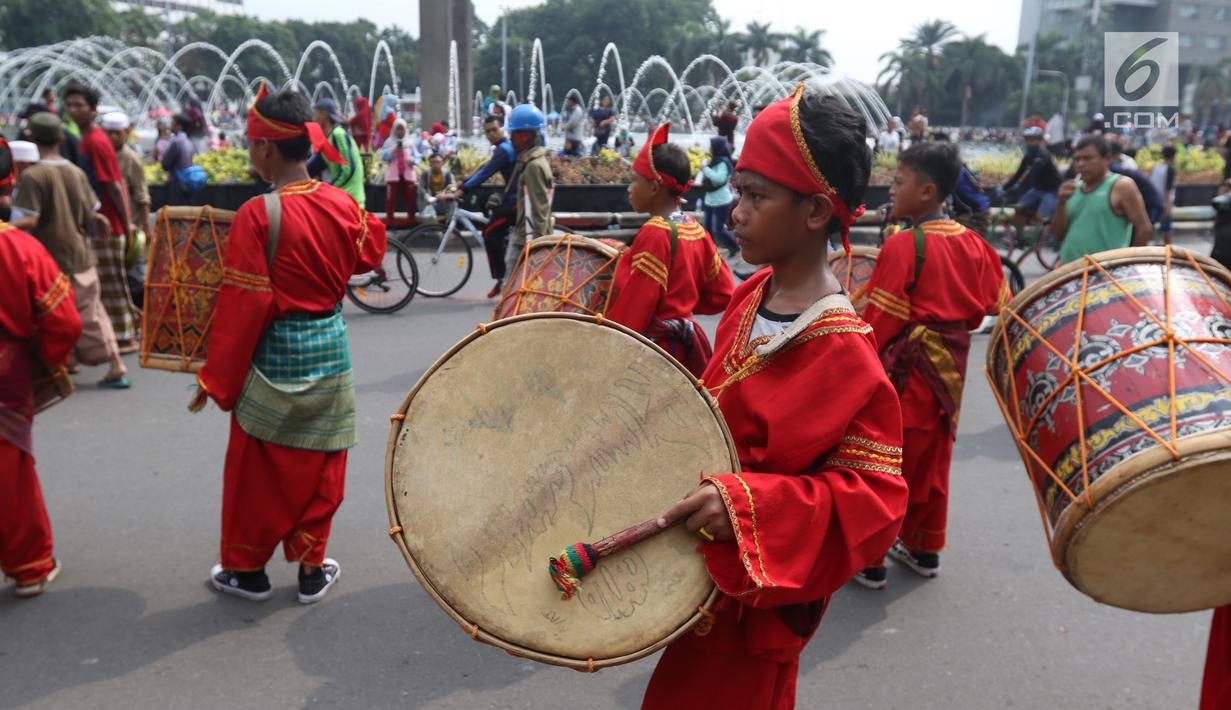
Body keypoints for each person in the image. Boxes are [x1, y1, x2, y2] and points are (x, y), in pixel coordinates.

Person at [641, 86, 908, 710]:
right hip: (697, 585)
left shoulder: (846, 353)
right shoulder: (752, 293)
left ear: (816, 212)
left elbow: (875, 503)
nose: (735, 212)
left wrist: (746, 505)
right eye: (738, 192)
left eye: (756, 197)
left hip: (750, 615)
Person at [191, 84, 386, 604]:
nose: (249, 152)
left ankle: (247, 572)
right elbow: (371, 256)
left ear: (267, 149)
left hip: (276, 348)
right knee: (324, 457)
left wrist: (216, 378)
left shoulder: (259, 214)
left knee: (258, 464)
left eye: (251, 143)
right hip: (330, 343)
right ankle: (311, 568)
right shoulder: (343, 204)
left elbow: (243, 305)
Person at [853, 142, 1009, 589]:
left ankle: (872, 559)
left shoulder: (905, 246)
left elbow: (880, 323)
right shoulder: (976, 244)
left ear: (926, 191)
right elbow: (992, 308)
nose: (890, 191)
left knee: (886, 461)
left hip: (906, 375)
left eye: (898, 183)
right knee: (933, 458)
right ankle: (923, 549)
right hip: (950, 375)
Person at [11, 113, 130, 388]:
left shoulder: (33, 176)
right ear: (62, 138)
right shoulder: (75, 172)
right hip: (80, 252)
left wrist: (7, 227)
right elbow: (92, 211)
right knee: (93, 312)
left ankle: (81, 364)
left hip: (50, 259)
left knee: (54, 315)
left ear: (30, 138)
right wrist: (99, 220)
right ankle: (102, 362)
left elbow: (31, 218)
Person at [606, 124, 733, 377]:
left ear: (654, 188)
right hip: (684, 352)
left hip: (655, 354)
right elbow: (723, 292)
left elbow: (635, 307)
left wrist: (609, 346)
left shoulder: (655, 233)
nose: (629, 188)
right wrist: (681, 311)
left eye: (634, 180)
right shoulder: (696, 229)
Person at [0, 220, 83, 597]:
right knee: (9, 467)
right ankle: (29, 566)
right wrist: (48, 359)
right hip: (5, 369)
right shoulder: (16, 246)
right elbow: (62, 320)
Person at [64, 86, 140, 354]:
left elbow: (114, 185)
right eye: (69, 105)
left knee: (113, 285)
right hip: (102, 222)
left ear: (93, 110)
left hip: (108, 225)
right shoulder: (89, 138)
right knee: (108, 284)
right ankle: (124, 332)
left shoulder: (95, 141)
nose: (73, 110)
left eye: (79, 105)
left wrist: (126, 224)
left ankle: (126, 337)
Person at [438, 115, 518, 298]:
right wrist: (462, 184)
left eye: (494, 130)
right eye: (487, 131)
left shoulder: (504, 150)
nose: (491, 134)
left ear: (502, 129)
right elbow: (484, 169)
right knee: (490, 212)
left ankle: (502, 278)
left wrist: (461, 191)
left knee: (490, 232)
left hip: (516, 201)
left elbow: (486, 173)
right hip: (512, 197)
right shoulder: (504, 148)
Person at [1054, 135, 1153, 264]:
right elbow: (1058, 235)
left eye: (1087, 158)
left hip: (1105, 275)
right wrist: (1061, 202)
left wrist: (1130, 265)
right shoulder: (1072, 189)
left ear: (1107, 158)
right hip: (1069, 273)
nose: (1081, 164)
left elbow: (1144, 229)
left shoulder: (1121, 186)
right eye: (1077, 159)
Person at [101, 112, 151, 307]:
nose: (113, 137)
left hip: (132, 229)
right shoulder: (102, 156)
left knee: (135, 278)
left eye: (117, 133)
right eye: (109, 133)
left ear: (127, 132)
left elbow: (142, 196)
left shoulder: (131, 160)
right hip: (110, 230)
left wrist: (146, 226)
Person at [504, 104, 554, 277]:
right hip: (524, 235)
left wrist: (539, 248)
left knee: (511, 290)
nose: (511, 138)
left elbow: (539, 210)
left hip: (526, 239)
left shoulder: (533, 166)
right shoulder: (531, 161)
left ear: (526, 135)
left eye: (514, 133)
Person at [1001, 126, 1062, 237]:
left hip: (1051, 191)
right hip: (1037, 189)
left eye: (1032, 140)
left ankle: (1049, 235)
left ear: (1039, 141)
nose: (1029, 143)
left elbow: (1031, 175)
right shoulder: (1029, 155)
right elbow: (1019, 174)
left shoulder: (1042, 155)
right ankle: (1020, 238)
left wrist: (1019, 186)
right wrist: (1004, 187)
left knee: (1040, 216)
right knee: (1018, 209)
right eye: (1027, 140)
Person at [307, 98, 365, 207]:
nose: (313, 117)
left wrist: (330, 189)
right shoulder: (327, 140)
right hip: (341, 199)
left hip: (350, 200)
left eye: (315, 113)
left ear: (324, 115)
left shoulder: (338, 134)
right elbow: (311, 168)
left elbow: (347, 169)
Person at [699, 135, 739, 257]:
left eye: (711, 146)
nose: (709, 148)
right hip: (710, 200)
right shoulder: (714, 161)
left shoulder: (724, 163)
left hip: (721, 201)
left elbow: (719, 178)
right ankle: (709, 253)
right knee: (707, 230)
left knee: (718, 230)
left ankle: (735, 247)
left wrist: (705, 169)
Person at [379, 118, 419, 224]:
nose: (400, 131)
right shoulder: (389, 142)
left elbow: (418, 158)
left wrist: (412, 160)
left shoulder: (410, 142)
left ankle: (411, 220)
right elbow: (383, 157)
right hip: (393, 176)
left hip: (408, 175)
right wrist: (393, 151)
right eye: (398, 129)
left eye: (402, 129)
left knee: (410, 198)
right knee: (390, 199)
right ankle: (390, 220)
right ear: (394, 129)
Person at [160, 114, 198, 206]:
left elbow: (165, 164)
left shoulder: (176, 142)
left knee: (177, 215)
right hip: (188, 183)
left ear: (179, 126)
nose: (170, 126)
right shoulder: (189, 141)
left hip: (177, 184)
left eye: (173, 123)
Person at [1150, 145, 1178, 245]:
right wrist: (1168, 207)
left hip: (1154, 201)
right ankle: (1169, 252)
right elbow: (1168, 189)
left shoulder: (1157, 168)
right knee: (1167, 230)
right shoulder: (1170, 169)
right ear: (1174, 156)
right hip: (1164, 203)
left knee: (1151, 227)